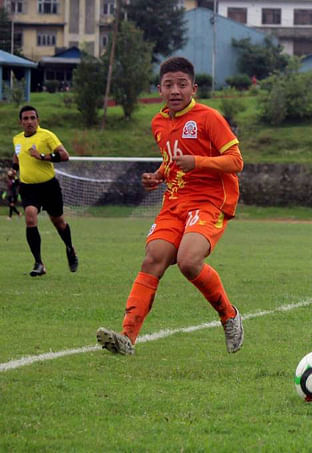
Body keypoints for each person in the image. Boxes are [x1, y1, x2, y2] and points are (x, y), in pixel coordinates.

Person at [96, 57, 244, 355]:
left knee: (189, 261)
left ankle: (229, 316)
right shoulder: (159, 122)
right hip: (174, 203)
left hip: (209, 202)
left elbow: (236, 161)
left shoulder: (208, 118)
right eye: (168, 85)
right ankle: (126, 338)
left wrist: (198, 162)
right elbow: (171, 160)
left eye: (182, 84)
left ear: (194, 88)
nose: (175, 90)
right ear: (160, 89)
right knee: (153, 258)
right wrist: (158, 175)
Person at [12, 105, 78, 276]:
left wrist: (42, 156)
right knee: (30, 217)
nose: (29, 122)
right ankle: (39, 263)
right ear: (21, 122)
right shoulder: (17, 139)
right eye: (25, 119)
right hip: (28, 188)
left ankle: (70, 248)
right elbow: (17, 155)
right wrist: (13, 169)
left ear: (37, 120)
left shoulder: (46, 136)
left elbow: (65, 155)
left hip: (48, 186)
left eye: (32, 118)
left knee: (59, 222)